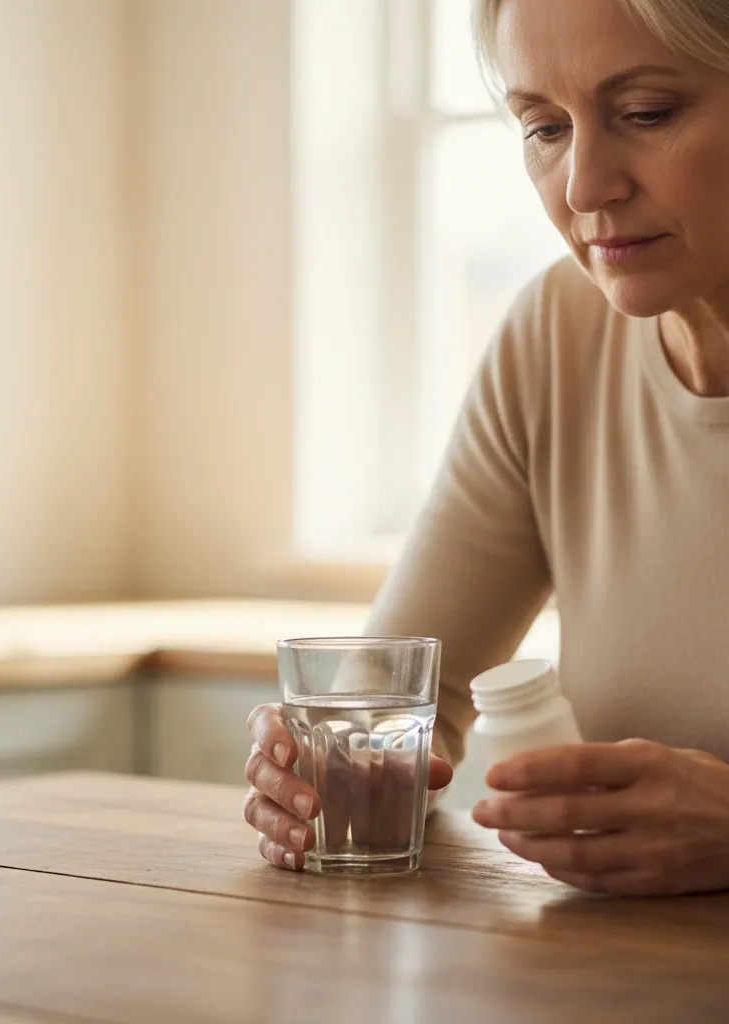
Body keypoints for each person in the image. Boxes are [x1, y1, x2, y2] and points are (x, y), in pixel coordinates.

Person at [243, 0, 729, 896]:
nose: (583, 187)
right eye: (544, 126)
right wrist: (321, 772)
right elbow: (410, 700)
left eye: (648, 113)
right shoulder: (559, 331)